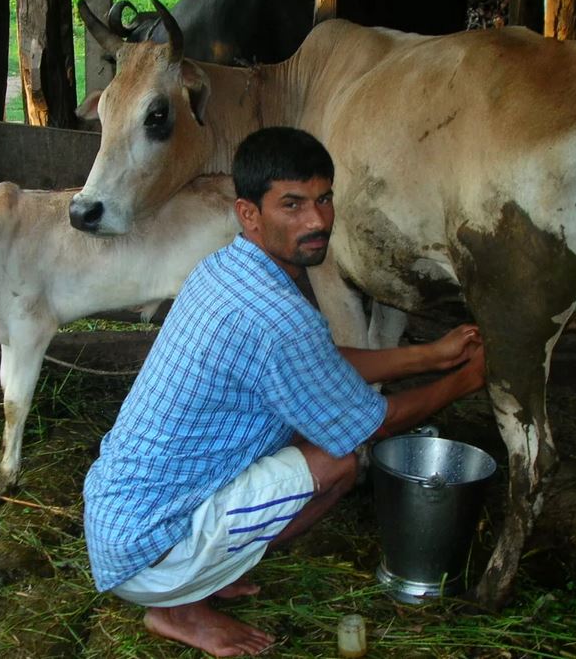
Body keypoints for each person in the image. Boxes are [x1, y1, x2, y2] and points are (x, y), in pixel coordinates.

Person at [82, 127, 486, 657]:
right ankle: (179, 607)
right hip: (148, 550)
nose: (317, 221)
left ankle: (203, 573)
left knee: (309, 426)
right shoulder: (278, 316)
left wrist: (428, 355)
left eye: (323, 199)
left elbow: (314, 367)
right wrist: (465, 380)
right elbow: (375, 423)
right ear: (249, 213)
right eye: (292, 204)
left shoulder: (227, 268)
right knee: (339, 462)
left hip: (118, 516)